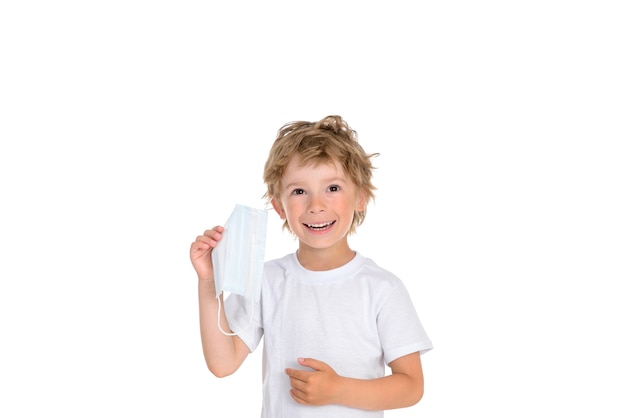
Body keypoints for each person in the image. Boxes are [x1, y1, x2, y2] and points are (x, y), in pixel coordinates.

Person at [190, 115, 433, 417]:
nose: (316, 205)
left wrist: (339, 389)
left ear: (361, 197)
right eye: (299, 191)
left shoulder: (383, 289)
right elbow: (223, 364)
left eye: (332, 188)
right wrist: (209, 284)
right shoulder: (267, 280)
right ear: (279, 206)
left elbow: (411, 386)